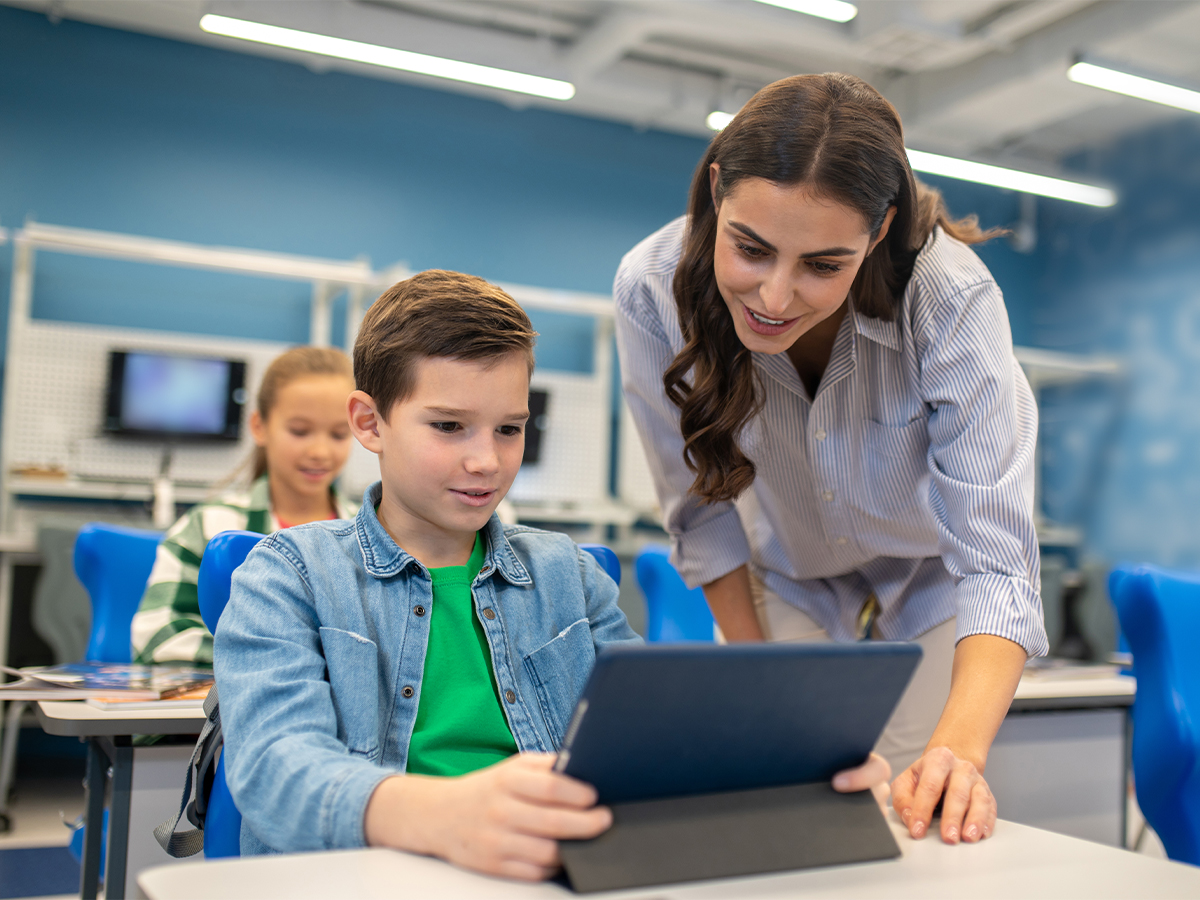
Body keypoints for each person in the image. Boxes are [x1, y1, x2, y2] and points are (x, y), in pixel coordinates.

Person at [212, 270, 890, 879]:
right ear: (369, 422)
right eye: (449, 426)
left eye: (509, 429)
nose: (487, 460)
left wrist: (794, 769)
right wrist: (445, 814)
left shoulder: (568, 575)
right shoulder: (289, 574)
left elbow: (652, 741)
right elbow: (274, 772)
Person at [615, 73, 1048, 848]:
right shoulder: (652, 290)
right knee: (784, 806)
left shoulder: (951, 299)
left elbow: (996, 563)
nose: (774, 297)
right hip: (785, 577)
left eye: (823, 264)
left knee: (916, 819)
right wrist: (763, 694)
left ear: (878, 232)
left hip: (933, 582)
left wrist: (960, 753)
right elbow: (700, 515)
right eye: (750, 248)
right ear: (718, 191)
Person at [131, 346, 359, 664]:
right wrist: (284, 658)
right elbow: (157, 637)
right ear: (259, 427)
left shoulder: (374, 534)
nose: (320, 451)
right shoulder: (208, 526)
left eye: (338, 434)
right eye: (300, 431)